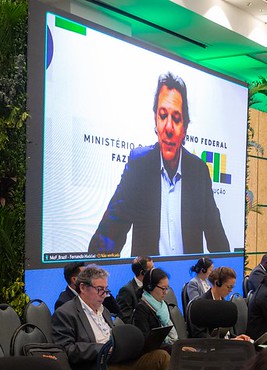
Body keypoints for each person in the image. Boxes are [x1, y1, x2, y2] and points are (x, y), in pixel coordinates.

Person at [88, 72, 229, 256]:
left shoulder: (198, 171)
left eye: (176, 118)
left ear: (185, 127)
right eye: (163, 116)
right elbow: (109, 233)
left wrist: (226, 268)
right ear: (155, 120)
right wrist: (98, 269)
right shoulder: (139, 165)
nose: (168, 128)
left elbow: (217, 238)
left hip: (189, 273)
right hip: (149, 274)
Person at [52, 265, 170, 370]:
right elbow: (66, 350)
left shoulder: (104, 311)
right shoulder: (65, 313)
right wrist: (104, 349)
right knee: (161, 357)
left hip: (119, 361)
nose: (104, 295)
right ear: (82, 288)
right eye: (99, 289)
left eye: (106, 290)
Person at [187, 267, 251, 341]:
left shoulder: (224, 304)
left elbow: (225, 333)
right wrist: (229, 342)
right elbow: (199, 335)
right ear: (217, 283)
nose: (231, 290)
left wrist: (235, 338)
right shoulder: (202, 305)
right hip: (209, 346)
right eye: (228, 287)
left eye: (232, 287)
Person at [131, 268, 178, 352]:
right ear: (150, 286)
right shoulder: (142, 309)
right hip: (153, 352)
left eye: (167, 288)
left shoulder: (164, 305)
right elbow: (147, 342)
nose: (165, 292)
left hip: (167, 348)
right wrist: (174, 349)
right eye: (163, 289)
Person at [115, 256, 153, 324]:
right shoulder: (126, 291)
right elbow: (126, 319)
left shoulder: (153, 286)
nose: (154, 271)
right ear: (142, 273)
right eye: (151, 269)